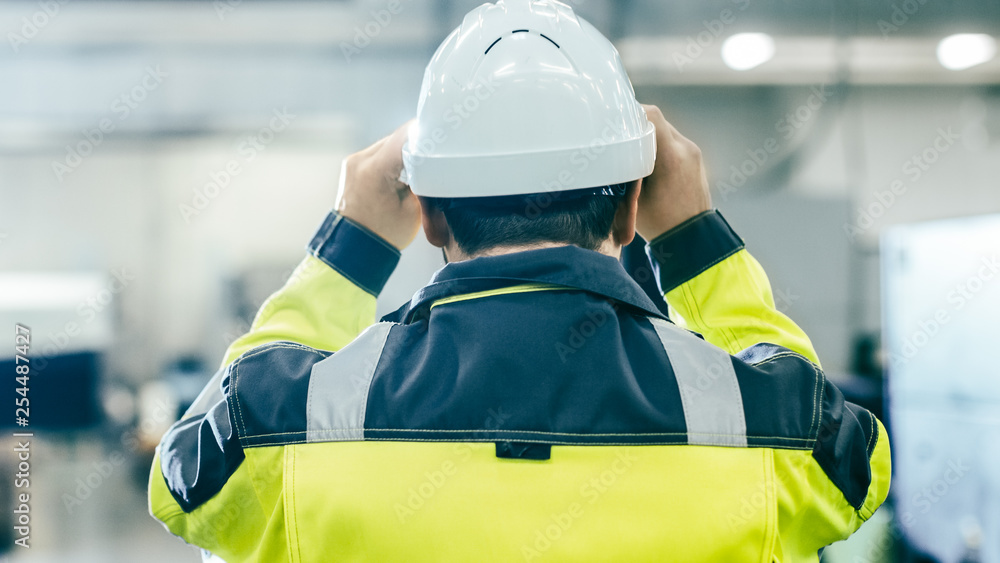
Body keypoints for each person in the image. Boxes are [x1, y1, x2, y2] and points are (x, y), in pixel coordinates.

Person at [149, 1, 890, 561]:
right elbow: (850, 462)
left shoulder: (295, 430)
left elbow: (189, 474)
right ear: (632, 205)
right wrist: (699, 240)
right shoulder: (757, 431)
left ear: (431, 217)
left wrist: (348, 248)